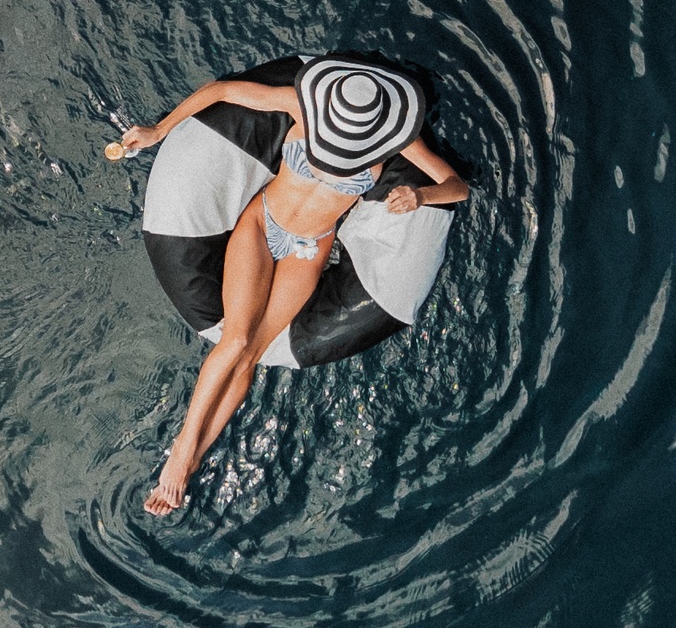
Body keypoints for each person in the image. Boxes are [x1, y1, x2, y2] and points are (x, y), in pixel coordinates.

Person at [119, 57, 469, 516]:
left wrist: (422, 195)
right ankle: (183, 452)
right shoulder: (305, 106)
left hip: (311, 248)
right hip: (262, 226)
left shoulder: (396, 142)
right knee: (237, 338)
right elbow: (223, 92)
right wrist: (158, 130)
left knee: (253, 351)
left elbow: (457, 187)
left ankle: (193, 460)